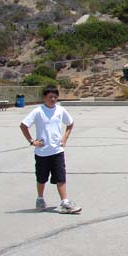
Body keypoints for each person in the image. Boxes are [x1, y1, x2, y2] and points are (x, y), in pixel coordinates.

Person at [19, 85, 81, 214]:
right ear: (44, 97)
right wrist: (32, 141)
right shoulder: (38, 111)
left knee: (60, 177)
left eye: (55, 97)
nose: (53, 99)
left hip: (57, 151)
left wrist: (64, 138)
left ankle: (65, 203)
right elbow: (23, 125)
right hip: (42, 153)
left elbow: (70, 123)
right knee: (41, 178)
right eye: (50, 97)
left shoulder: (60, 110)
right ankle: (40, 199)